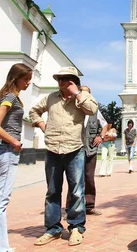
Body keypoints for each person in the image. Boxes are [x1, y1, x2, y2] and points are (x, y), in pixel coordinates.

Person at [29, 67, 98, 247]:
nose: (61, 82)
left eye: (66, 79)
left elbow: (92, 110)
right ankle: (53, 228)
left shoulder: (82, 97)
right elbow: (34, 111)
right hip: (53, 148)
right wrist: (43, 125)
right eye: (59, 79)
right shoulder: (52, 98)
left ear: (74, 81)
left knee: (76, 190)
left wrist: (77, 94)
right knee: (52, 191)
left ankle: (76, 227)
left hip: (74, 149)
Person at [0, 63, 32, 252]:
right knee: (0, 200)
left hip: (3, 150)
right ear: (15, 78)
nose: (28, 83)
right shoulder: (10, 97)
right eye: (25, 79)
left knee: (0, 199)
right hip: (7, 151)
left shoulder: (9, 96)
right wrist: (15, 142)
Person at [65, 85, 110, 216]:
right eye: (81, 92)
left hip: (90, 148)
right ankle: (70, 206)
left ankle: (89, 205)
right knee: (74, 177)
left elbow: (105, 124)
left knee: (89, 177)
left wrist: (101, 136)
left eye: (86, 93)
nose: (82, 95)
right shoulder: (73, 108)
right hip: (75, 147)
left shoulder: (95, 110)